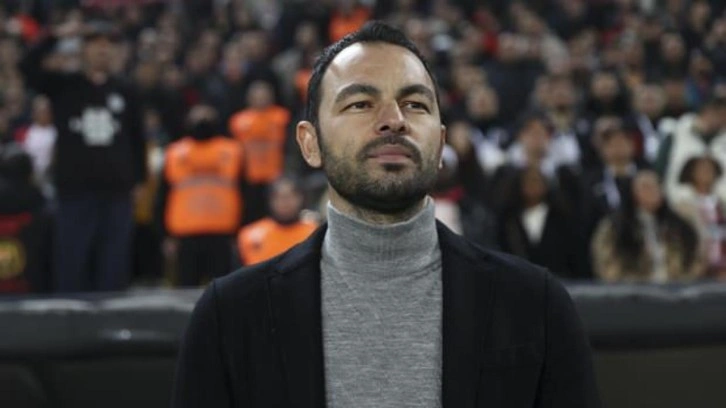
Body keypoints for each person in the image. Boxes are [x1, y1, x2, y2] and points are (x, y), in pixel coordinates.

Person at [172, 21, 599, 407]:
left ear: (440, 143)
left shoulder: (536, 307)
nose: (394, 120)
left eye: (415, 104)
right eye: (360, 103)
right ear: (310, 143)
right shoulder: (229, 318)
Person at [19, 19, 146, 292]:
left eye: (109, 44)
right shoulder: (64, 86)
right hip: (75, 193)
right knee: (71, 264)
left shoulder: (126, 90)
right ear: (83, 50)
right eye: (95, 43)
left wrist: (139, 180)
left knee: (113, 268)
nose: (103, 49)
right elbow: (26, 67)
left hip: (117, 193)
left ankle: (112, 318)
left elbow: (137, 138)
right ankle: (69, 318)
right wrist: (54, 35)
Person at [156, 104, 244, 287]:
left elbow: (246, 194)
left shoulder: (233, 151)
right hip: (185, 236)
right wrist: (165, 235)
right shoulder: (174, 153)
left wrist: (240, 233)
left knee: (222, 292)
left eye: (206, 115)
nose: (202, 119)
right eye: (197, 115)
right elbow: (162, 197)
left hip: (222, 235)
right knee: (185, 293)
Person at [592, 170, 705, 283]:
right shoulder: (615, 228)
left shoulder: (680, 226)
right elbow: (606, 262)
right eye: (645, 187)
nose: (652, 192)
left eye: (656, 187)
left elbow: (696, 258)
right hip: (633, 289)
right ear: (633, 193)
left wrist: (684, 279)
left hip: (675, 287)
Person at [237, 176, 318, 266]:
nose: (285, 202)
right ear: (270, 200)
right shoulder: (249, 236)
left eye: (290, 196)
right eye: (278, 196)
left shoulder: (315, 234)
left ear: (301, 198)